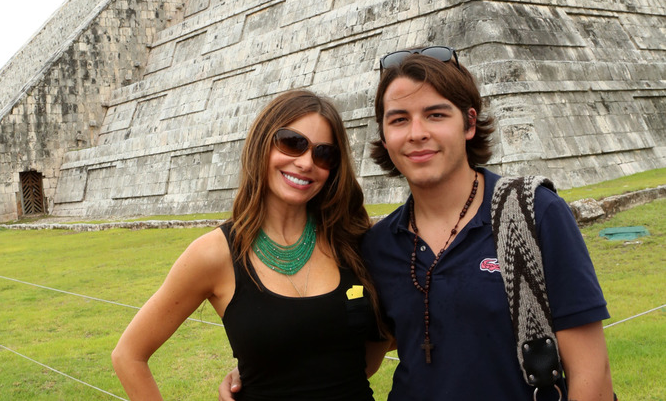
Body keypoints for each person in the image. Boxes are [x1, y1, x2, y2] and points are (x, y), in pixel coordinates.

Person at [220, 47, 615, 400]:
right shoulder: (377, 245)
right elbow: (360, 354)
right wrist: (265, 366)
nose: (417, 133)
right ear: (385, 137)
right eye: (399, 120)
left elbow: (592, 375)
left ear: (469, 123)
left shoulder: (533, 213)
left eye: (436, 114)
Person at [112, 89, 389, 400]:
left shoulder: (353, 239)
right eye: (292, 143)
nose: (306, 162)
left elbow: (387, 335)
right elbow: (129, 355)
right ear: (262, 144)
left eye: (324, 154)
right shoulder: (214, 254)